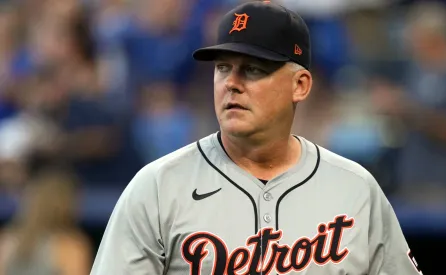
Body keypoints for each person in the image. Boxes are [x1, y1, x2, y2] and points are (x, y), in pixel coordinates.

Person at [90, 1, 423, 274]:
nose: (232, 83)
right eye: (223, 67)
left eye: (253, 69)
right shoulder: (158, 187)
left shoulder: (355, 188)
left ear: (300, 85)